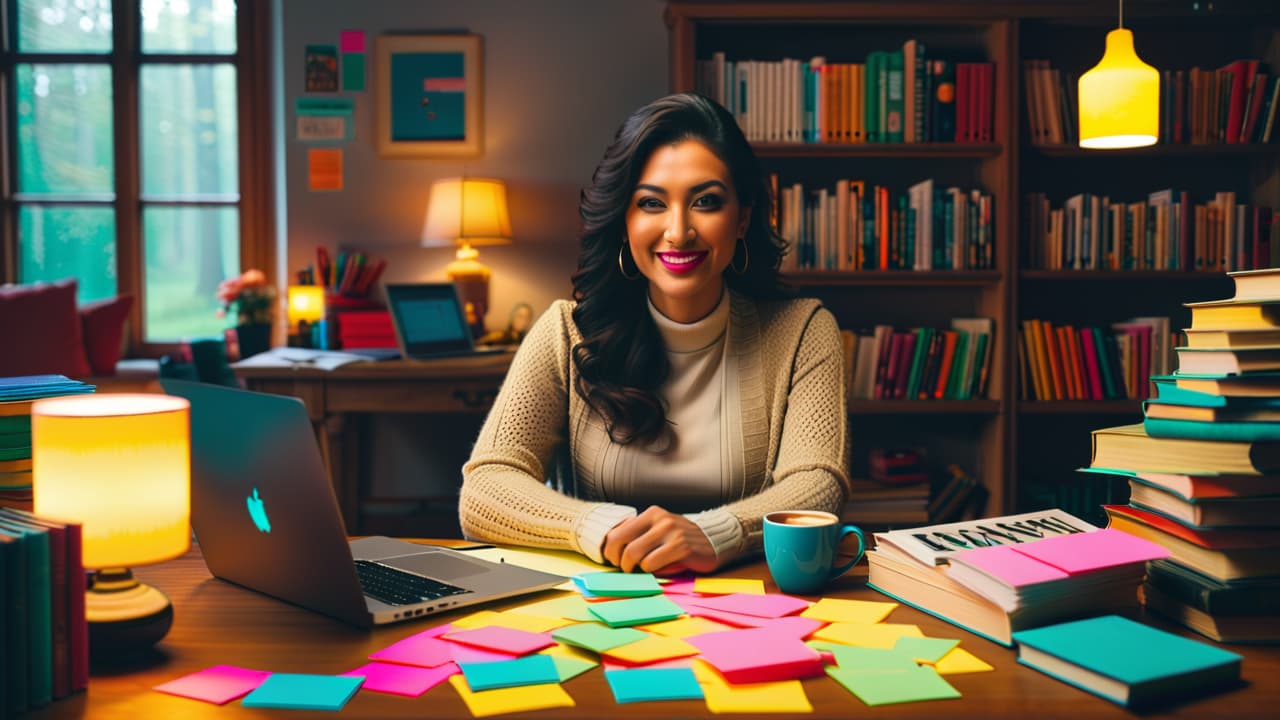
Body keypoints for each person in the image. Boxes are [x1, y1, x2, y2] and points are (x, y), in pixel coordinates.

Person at [458, 92, 850, 575]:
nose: (679, 231)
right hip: (599, 605)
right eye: (651, 203)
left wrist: (714, 533)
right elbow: (486, 487)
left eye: (706, 202)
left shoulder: (804, 332)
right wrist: (598, 526)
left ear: (743, 218)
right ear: (625, 222)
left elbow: (816, 486)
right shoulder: (566, 332)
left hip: (749, 604)